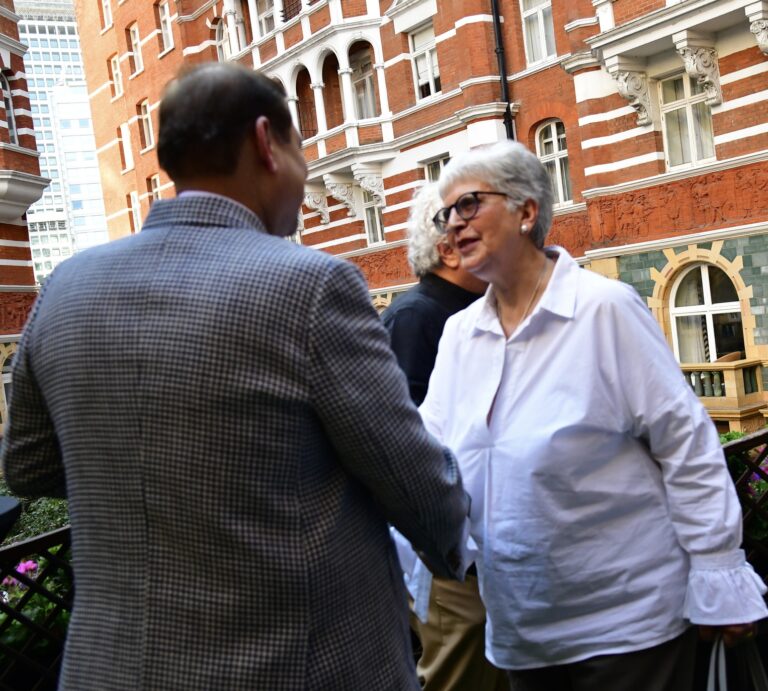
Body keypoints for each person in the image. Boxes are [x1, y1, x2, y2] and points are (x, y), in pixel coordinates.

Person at [0, 62, 470, 691]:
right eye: (300, 148)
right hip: (298, 667)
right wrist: (457, 557)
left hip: (109, 669)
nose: (304, 174)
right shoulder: (312, 284)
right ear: (265, 143)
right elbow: (411, 481)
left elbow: (29, 466)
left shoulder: (65, 287)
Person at [419, 139, 768, 691]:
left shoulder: (604, 308)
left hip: (626, 625)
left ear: (526, 211)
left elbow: (686, 445)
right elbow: (429, 451)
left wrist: (717, 570)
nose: (453, 225)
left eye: (469, 204)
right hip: (522, 632)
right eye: (446, 214)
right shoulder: (460, 334)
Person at [382, 183, 506, 691]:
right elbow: (409, 441)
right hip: (450, 557)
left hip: (486, 549)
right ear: (446, 249)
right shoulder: (417, 316)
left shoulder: (485, 307)